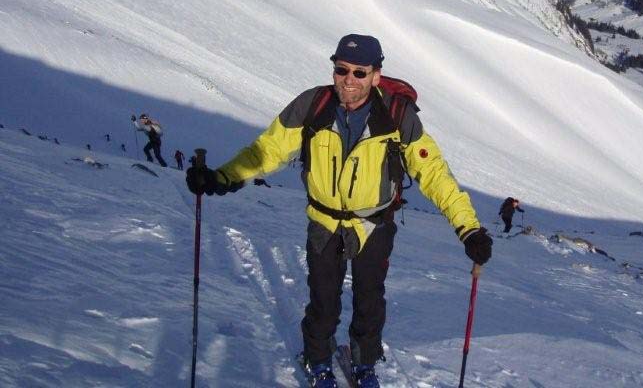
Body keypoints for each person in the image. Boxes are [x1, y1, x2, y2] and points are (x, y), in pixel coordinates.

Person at [186, 34, 492, 388]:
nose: (349, 79)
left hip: (374, 225)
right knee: (323, 299)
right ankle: (318, 360)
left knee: (370, 301)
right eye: (341, 69)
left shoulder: (397, 116)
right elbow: (267, 150)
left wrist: (468, 228)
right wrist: (223, 176)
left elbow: (435, 174)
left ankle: (364, 363)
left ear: (376, 75)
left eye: (360, 72)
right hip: (324, 222)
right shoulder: (312, 105)